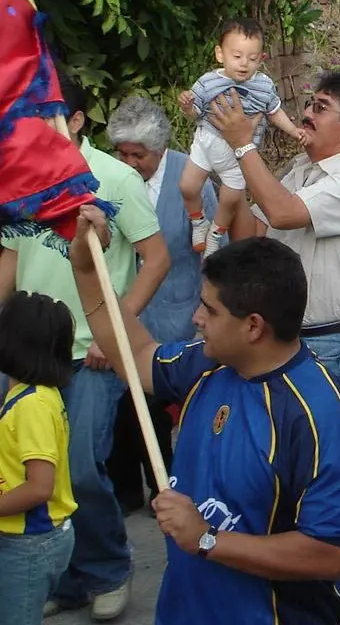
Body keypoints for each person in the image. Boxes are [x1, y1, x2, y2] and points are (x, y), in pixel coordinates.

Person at [65, 209, 340, 622]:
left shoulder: (319, 415)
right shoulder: (209, 363)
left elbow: (330, 555)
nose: (197, 318)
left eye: (210, 310)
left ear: (253, 327)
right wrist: (87, 270)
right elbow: (135, 354)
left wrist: (208, 539)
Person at [206, 68, 340, 608]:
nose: (306, 113)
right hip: (291, 341)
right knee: (286, 462)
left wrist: (244, 145)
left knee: (322, 466)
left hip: (333, 341)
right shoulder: (301, 169)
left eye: (321, 106)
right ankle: (301, 567)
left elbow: (284, 212)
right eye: (310, 103)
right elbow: (260, 232)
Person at [0, 69, 169, 622]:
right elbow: (10, 257)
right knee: (29, 469)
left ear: (74, 120)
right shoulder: (19, 177)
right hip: (26, 352)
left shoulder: (114, 178)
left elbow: (156, 259)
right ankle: (64, 578)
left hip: (89, 354)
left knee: (79, 469)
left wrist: (113, 331)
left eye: (40, 116)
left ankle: (107, 570)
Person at [105, 96, 217, 512]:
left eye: (139, 155)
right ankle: (128, 490)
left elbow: (212, 251)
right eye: (123, 153)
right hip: (129, 310)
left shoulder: (191, 178)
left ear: (160, 148)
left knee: (166, 405)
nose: (130, 162)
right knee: (125, 404)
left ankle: (170, 485)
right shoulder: (110, 179)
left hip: (178, 312)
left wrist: (207, 309)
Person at [177, 18, 303, 257]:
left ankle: (216, 233)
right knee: (187, 186)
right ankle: (198, 221)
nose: (244, 63)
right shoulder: (208, 82)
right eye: (237, 56)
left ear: (261, 58)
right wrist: (187, 107)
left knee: (230, 198)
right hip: (207, 142)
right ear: (220, 54)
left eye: (252, 58)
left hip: (239, 153)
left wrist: (293, 130)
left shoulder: (264, 86)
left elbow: (274, 111)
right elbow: (195, 113)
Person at [0, 292, 77, 625]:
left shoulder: (32, 404)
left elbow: (39, 487)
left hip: (29, 542)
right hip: (24, 538)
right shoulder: (30, 394)